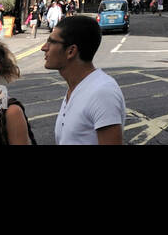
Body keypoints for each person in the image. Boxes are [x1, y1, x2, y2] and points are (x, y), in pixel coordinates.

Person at [42, 16, 125, 145]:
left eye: (51, 42)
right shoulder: (76, 87)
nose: (44, 47)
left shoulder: (102, 92)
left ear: (71, 51)